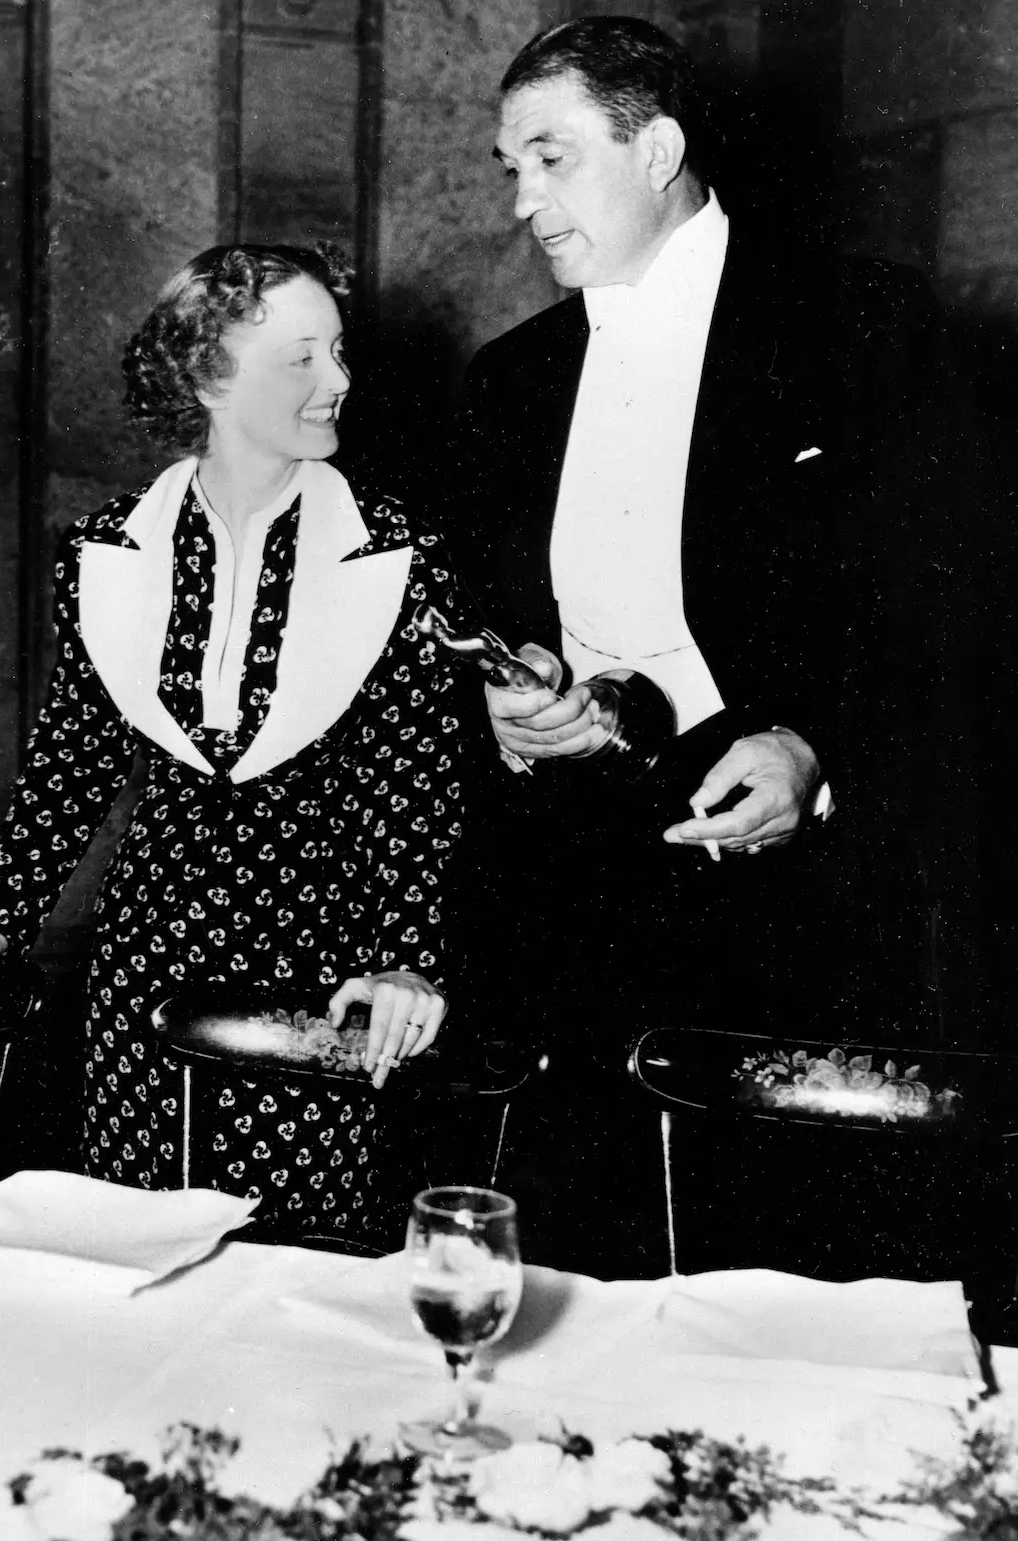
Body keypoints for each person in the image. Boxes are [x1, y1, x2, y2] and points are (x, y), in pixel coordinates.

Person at [441, 17, 989, 1281]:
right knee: (573, 1294)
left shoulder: (864, 323)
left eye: (550, 159)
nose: (522, 203)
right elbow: (510, 631)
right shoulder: (506, 383)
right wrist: (522, 716)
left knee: (784, 1301)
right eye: (506, 166)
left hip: (800, 917)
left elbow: (955, 615)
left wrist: (816, 746)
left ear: (659, 150)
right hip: (570, 915)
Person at [0, 243, 469, 1239]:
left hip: (322, 980)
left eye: (339, 352)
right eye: (302, 357)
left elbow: (413, 782)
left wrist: (404, 960)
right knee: (139, 1256)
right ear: (211, 373)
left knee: (296, 1279)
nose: (338, 380)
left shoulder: (398, 553)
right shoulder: (107, 549)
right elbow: (74, 755)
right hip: (145, 966)